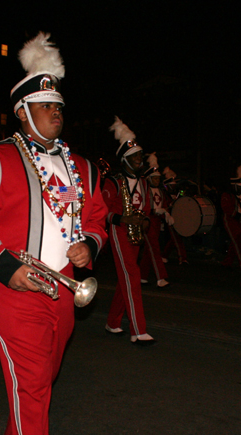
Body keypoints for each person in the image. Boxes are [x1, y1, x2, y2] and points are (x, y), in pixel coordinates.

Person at [0, 33, 107, 435]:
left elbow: (97, 220)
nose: (56, 112)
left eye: (59, 105)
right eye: (45, 105)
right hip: (13, 288)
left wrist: (87, 244)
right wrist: (5, 268)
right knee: (34, 380)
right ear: (22, 112)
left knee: (43, 376)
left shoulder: (84, 168)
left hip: (66, 286)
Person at [102, 117, 157, 346]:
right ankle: (138, 329)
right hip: (119, 230)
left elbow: (146, 208)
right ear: (124, 159)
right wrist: (122, 218)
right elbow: (100, 212)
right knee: (133, 275)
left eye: (140, 156)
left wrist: (143, 221)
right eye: (134, 157)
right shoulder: (113, 182)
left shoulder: (143, 183)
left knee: (127, 277)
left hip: (136, 233)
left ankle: (113, 321)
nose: (139, 160)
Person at [139, 153, 171, 288]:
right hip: (148, 222)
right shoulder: (144, 191)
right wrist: (154, 211)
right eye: (155, 179)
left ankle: (142, 276)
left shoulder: (161, 192)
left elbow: (164, 205)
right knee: (154, 249)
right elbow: (141, 207)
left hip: (157, 222)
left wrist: (166, 214)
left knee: (149, 250)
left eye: (158, 179)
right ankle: (161, 277)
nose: (157, 181)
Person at [219, 163, 241, 273]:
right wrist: (239, 216)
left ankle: (226, 262)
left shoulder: (240, 196)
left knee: (235, 244)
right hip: (231, 222)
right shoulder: (227, 195)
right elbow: (227, 209)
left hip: (240, 222)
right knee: (238, 245)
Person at [161, 167, 188, 264]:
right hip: (169, 218)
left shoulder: (176, 194)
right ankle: (182, 258)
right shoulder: (163, 194)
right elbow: (163, 207)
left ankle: (164, 255)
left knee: (174, 239)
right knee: (176, 238)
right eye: (171, 186)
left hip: (177, 217)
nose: (173, 188)